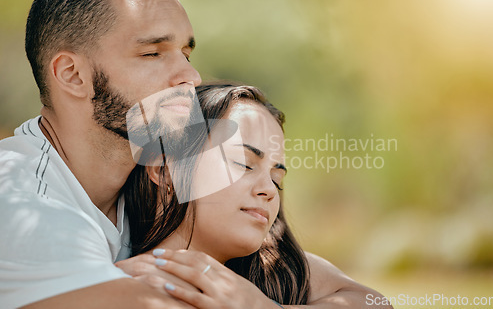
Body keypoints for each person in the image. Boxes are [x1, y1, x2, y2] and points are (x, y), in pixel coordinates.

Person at [0, 0, 391, 308]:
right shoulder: (22, 204)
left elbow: (370, 300)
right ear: (72, 75)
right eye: (153, 53)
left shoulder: (154, 198)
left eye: (186, 52)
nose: (190, 74)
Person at [118, 83, 393, 308]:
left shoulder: (277, 272)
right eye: (244, 163)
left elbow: (375, 303)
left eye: (277, 178)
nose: (270, 190)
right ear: (166, 171)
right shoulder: (112, 283)